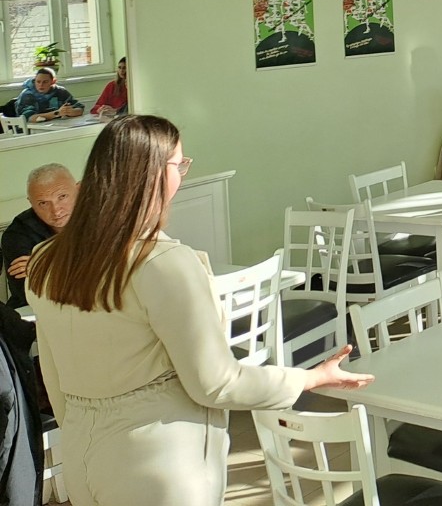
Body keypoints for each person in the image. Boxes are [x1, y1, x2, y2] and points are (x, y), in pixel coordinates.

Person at [25, 115, 371, 506]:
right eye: (180, 165)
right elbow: (216, 383)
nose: (182, 174)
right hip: (157, 458)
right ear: (155, 175)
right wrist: (308, 378)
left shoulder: (45, 260)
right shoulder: (161, 262)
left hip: (81, 454)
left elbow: (53, 375)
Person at [3, 163, 77, 307]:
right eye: (43, 203)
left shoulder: (100, 218)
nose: (56, 211)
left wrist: (47, 267)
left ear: (78, 190)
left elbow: (112, 273)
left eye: (62, 197)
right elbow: (30, 294)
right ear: (31, 203)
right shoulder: (17, 234)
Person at [16, 68, 83, 122]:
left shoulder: (61, 91)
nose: (41, 85)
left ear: (53, 81)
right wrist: (57, 113)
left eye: (45, 82)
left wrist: (71, 111)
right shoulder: (27, 95)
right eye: (38, 82)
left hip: (56, 126)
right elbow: (29, 118)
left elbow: (79, 107)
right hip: (30, 130)